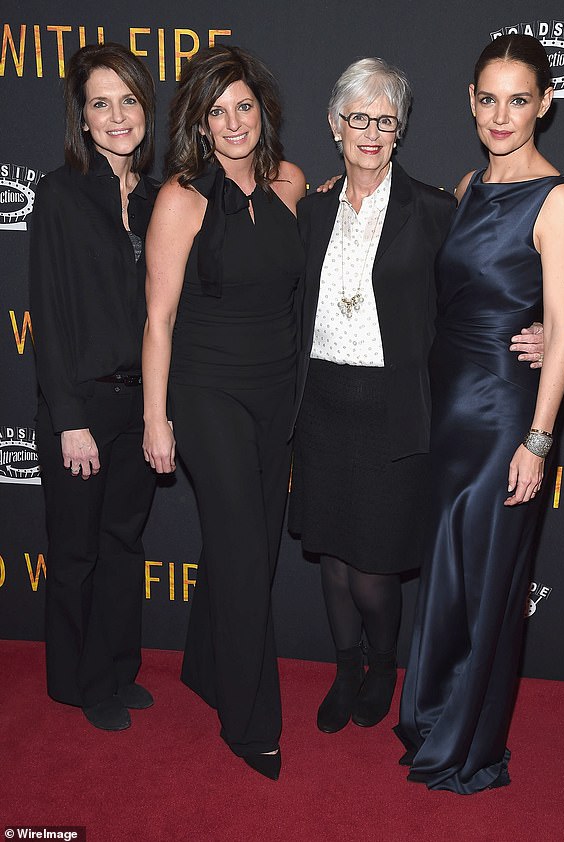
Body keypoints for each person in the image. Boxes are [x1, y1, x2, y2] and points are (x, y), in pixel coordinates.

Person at [288, 58, 544, 736]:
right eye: (357, 118)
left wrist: (539, 329)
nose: (370, 132)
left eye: (385, 119)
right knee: (333, 560)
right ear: (335, 125)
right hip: (321, 404)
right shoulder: (310, 209)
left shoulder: (434, 208)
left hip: (395, 409)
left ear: (400, 130)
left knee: (373, 567)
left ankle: (381, 666)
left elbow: (481, 284)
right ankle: (345, 669)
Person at [395, 34, 564, 793]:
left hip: (508, 415)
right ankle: (434, 716)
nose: (500, 114)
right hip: (448, 408)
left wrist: (539, 440)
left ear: (544, 103)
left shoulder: (558, 197)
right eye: (486, 98)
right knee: (448, 572)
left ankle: (465, 746)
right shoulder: (468, 184)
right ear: (472, 101)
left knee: (489, 581)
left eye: (517, 99)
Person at [141, 45, 305, 781]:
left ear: (260, 111)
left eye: (244, 105)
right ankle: (250, 723)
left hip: (278, 393)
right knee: (241, 551)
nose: (234, 122)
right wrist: (155, 418)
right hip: (207, 394)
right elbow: (159, 320)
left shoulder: (293, 184)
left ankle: (207, 666)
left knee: (254, 548)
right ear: (200, 125)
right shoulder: (182, 198)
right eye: (218, 111)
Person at [29, 43, 158, 731]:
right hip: (81, 404)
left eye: (128, 100)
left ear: (145, 109)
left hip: (141, 406)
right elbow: (47, 314)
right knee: (77, 550)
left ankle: (116, 668)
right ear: (82, 117)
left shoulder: (163, 196)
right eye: (100, 103)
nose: (116, 115)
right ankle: (76, 683)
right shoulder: (58, 193)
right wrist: (69, 418)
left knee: (121, 546)